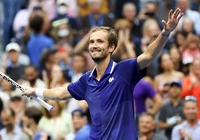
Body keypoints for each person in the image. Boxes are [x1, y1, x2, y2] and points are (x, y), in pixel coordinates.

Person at [23, 8, 183, 139]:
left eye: (100, 41)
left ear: (111, 47)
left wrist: (165, 33)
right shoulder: (86, 80)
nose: (94, 45)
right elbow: (60, 93)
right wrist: (35, 92)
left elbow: (148, 56)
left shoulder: (124, 70)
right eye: (91, 42)